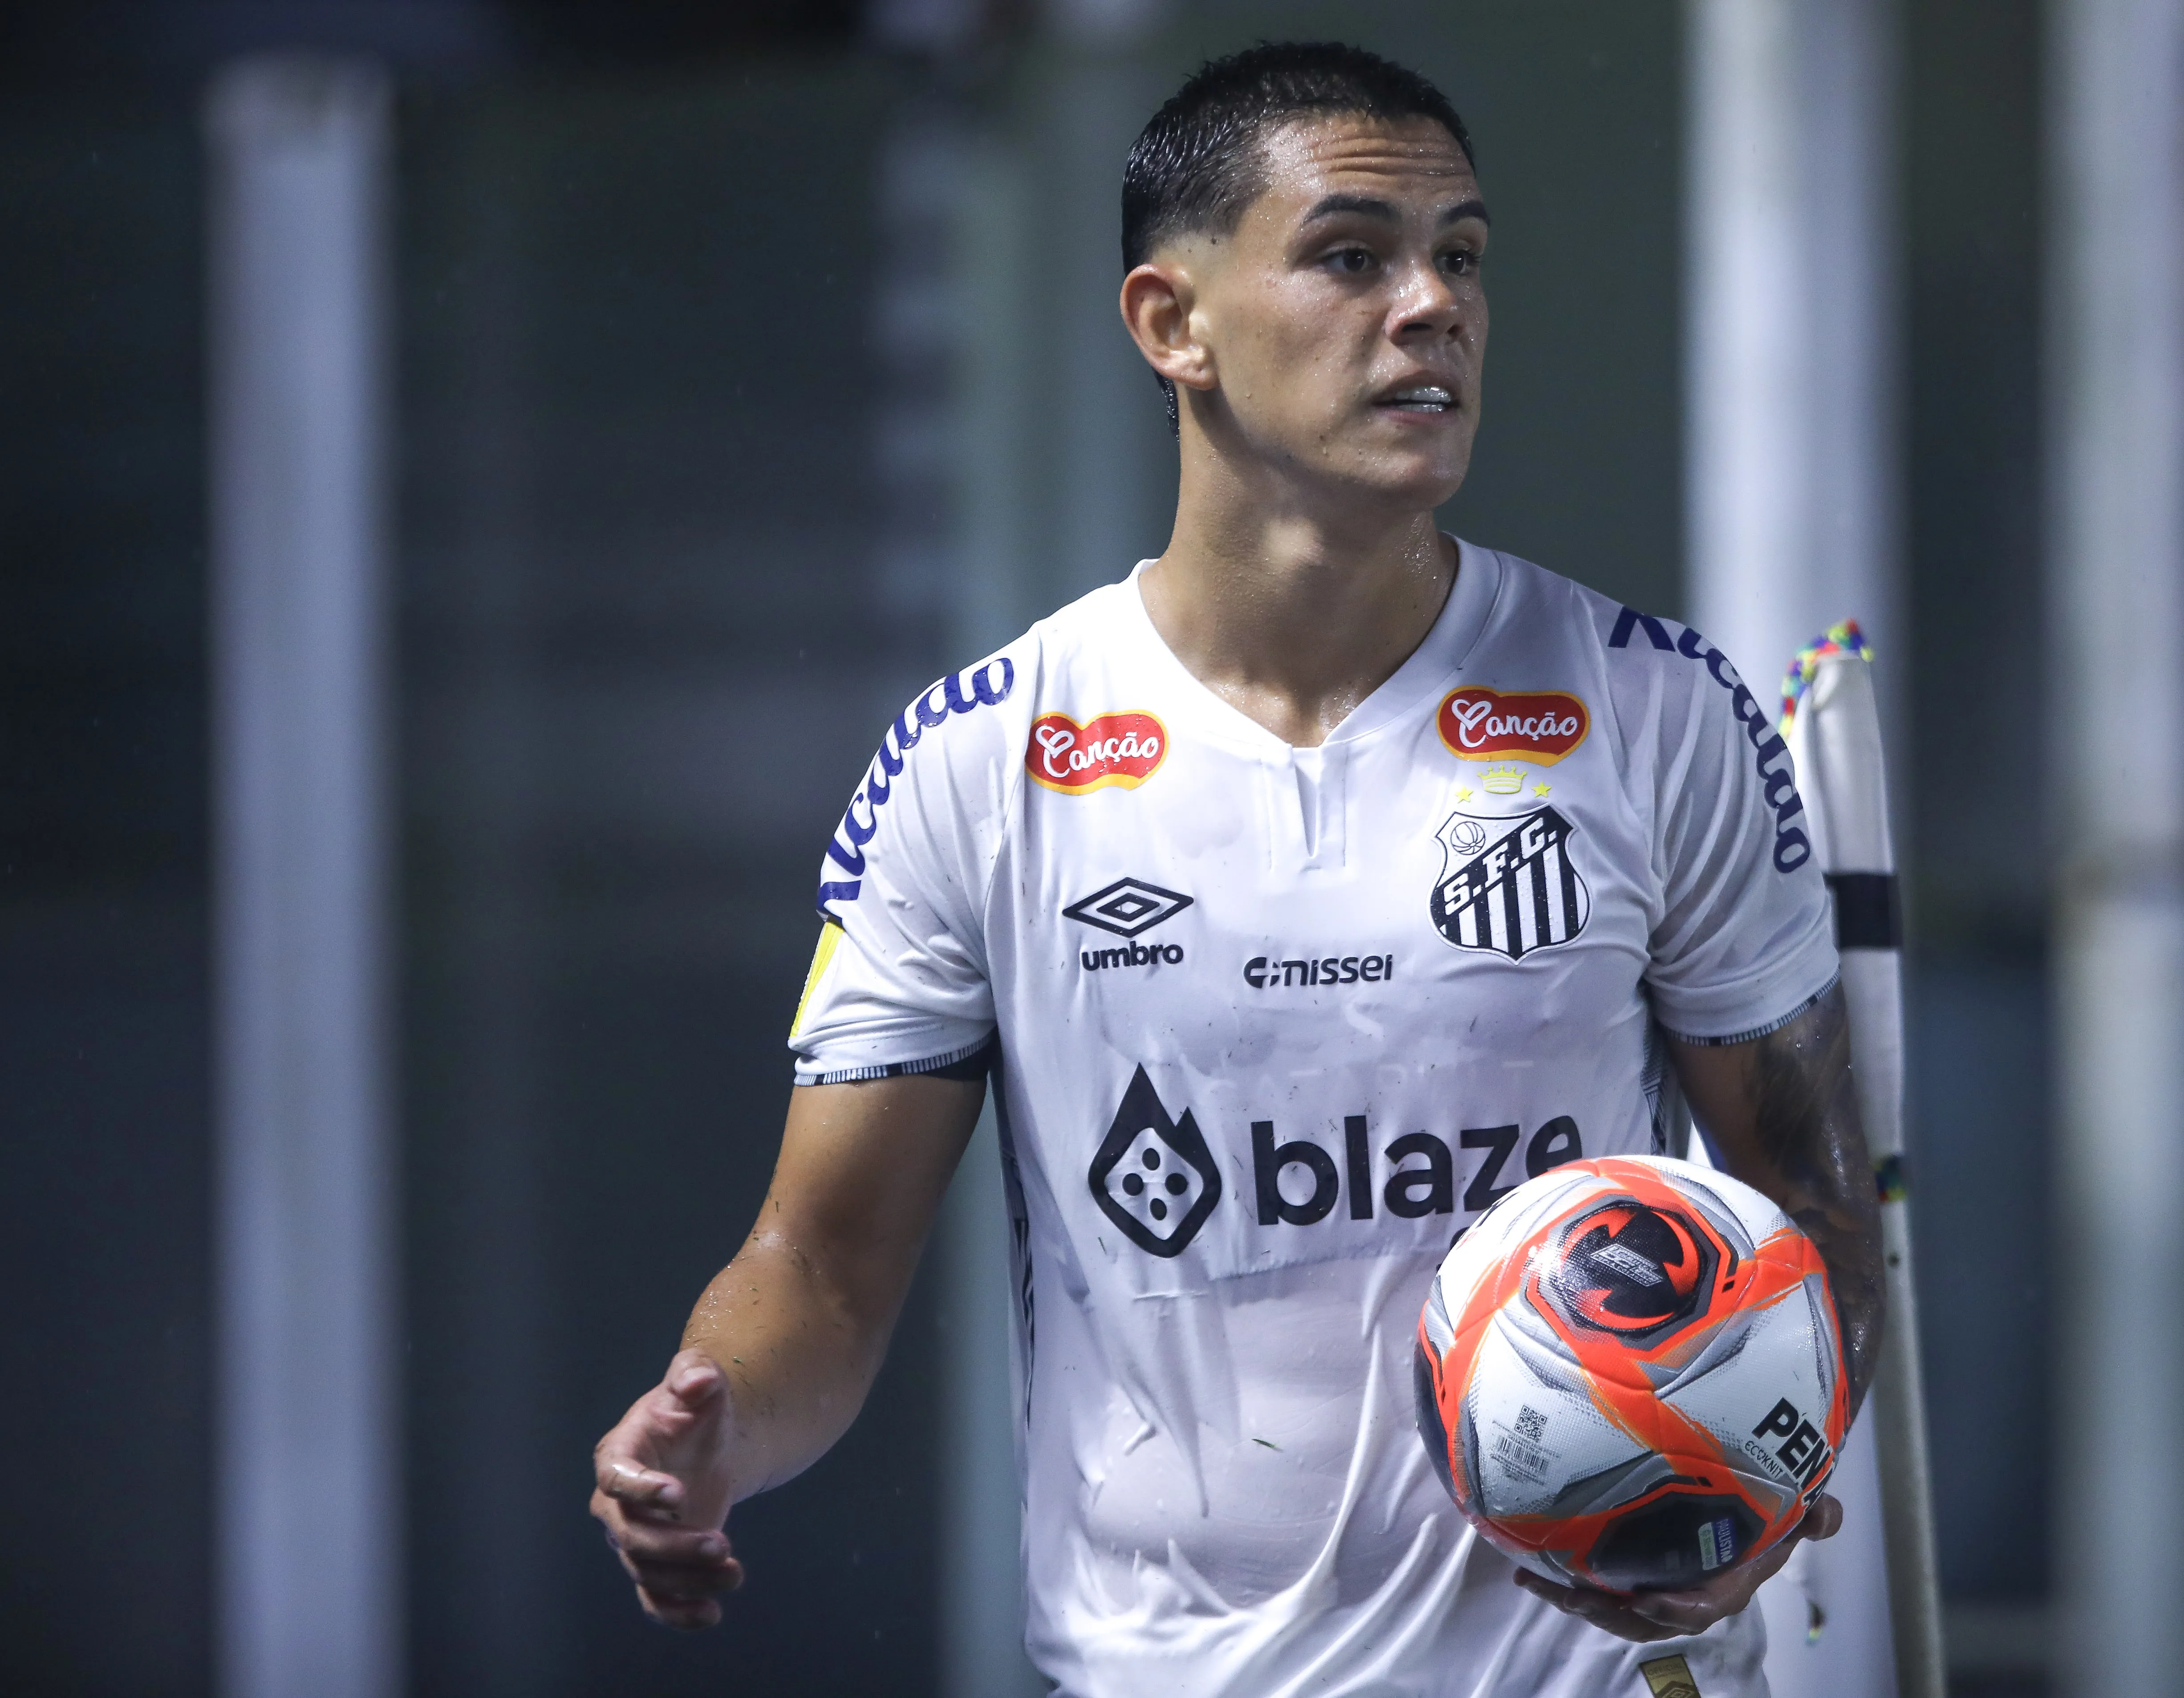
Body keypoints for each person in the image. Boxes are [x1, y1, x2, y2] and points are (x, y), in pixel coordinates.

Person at [589, 42, 1883, 1697]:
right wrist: (711, 1421)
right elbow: (820, 1268)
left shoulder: (1655, 712)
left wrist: (1747, 1489)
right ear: (1170, 323)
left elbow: (1816, 1205)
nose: (1433, 306)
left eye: (1463, 257)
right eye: (1353, 255)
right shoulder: (987, 756)